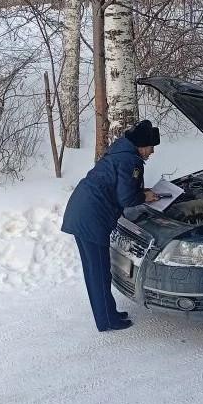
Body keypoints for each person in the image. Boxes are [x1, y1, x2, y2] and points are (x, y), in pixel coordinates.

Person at [61, 120, 160, 332]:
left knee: (93, 270)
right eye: (151, 147)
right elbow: (126, 198)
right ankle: (107, 320)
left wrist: (142, 192)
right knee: (99, 271)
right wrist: (144, 196)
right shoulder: (131, 161)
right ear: (142, 145)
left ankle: (106, 314)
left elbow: (118, 186)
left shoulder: (120, 152)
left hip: (81, 210)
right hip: (92, 217)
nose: (152, 152)